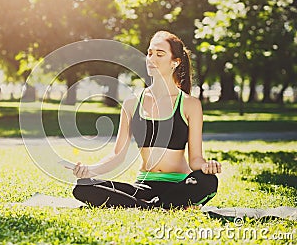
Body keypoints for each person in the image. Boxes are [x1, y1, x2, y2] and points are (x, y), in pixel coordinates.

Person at [71, 30, 221, 209]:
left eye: (160, 54)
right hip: (143, 187)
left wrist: (206, 166)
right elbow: (117, 156)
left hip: (179, 186)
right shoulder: (131, 103)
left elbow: (195, 159)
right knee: (83, 187)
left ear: (175, 62)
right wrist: (90, 169)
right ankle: (154, 206)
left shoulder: (190, 104)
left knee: (208, 182)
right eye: (149, 53)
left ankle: (142, 206)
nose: (152, 58)